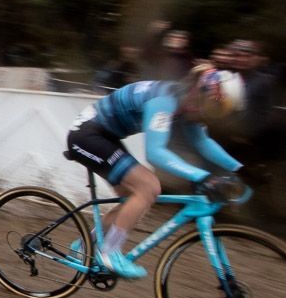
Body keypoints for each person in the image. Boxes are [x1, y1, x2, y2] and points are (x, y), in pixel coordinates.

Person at [65, 66, 247, 279]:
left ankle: (83, 245)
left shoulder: (186, 104)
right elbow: (155, 153)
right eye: (215, 108)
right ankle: (109, 253)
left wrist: (239, 170)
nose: (213, 115)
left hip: (104, 136)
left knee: (132, 202)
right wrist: (202, 176)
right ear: (203, 92)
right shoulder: (165, 99)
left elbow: (203, 142)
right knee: (148, 187)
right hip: (87, 135)